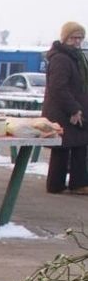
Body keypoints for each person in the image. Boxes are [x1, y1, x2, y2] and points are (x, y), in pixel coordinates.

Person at [42, 21, 88, 194]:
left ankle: (72, 184)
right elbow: (58, 87)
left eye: (80, 38)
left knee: (78, 145)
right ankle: (58, 185)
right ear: (65, 38)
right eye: (73, 38)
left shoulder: (75, 57)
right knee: (64, 147)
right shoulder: (61, 59)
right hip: (64, 110)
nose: (77, 42)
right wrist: (74, 109)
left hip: (72, 108)